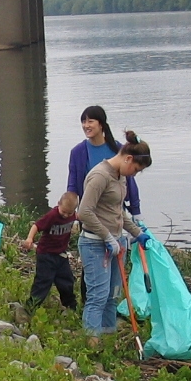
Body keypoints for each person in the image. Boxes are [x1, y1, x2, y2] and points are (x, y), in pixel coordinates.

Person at [76, 139, 153, 344]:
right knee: (98, 296)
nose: (134, 174)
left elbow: (117, 210)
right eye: (135, 169)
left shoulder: (121, 177)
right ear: (128, 158)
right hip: (94, 244)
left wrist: (137, 232)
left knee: (113, 296)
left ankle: (108, 339)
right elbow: (84, 211)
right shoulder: (100, 176)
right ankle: (92, 341)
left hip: (117, 244)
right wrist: (107, 236)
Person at [67, 106, 146, 222]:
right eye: (83, 122)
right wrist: (68, 211)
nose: (86, 125)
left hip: (115, 214)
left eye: (90, 121)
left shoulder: (118, 149)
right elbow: (72, 186)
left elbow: (129, 182)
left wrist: (136, 212)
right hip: (91, 215)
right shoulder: (77, 152)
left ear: (101, 124)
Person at [22, 191, 79, 311]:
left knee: (67, 281)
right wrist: (30, 238)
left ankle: (71, 307)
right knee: (43, 282)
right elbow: (36, 226)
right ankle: (31, 307)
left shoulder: (73, 215)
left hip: (61, 255)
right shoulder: (52, 215)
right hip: (46, 254)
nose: (65, 215)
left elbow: (81, 217)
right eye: (63, 212)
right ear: (58, 204)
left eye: (69, 213)